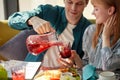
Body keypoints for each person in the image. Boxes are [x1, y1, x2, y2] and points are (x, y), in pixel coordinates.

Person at [8, 0, 91, 69]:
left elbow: (88, 64)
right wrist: (31, 19)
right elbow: (12, 20)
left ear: (86, 3)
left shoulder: (89, 29)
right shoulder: (49, 12)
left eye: (79, 3)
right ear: (64, 1)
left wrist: (75, 64)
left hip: (63, 75)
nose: (73, 8)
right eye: (70, 2)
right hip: (33, 71)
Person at [60, 0, 120, 71]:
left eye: (96, 9)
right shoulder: (90, 31)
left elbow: (108, 67)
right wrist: (76, 59)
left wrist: (105, 37)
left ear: (110, 10)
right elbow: (87, 65)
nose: (92, 13)